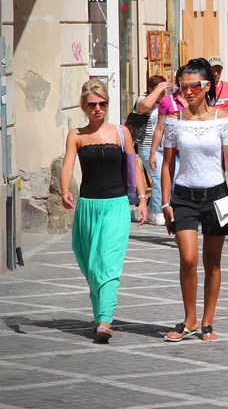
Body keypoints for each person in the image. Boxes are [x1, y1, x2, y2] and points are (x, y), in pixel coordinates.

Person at [161, 58, 228, 342]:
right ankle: (189, 318)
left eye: (193, 85)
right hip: (183, 196)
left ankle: (207, 322)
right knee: (188, 258)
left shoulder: (223, 119)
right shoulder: (174, 121)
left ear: (206, 86)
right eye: (183, 85)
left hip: (217, 196)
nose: (187, 90)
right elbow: (167, 165)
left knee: (213, 262)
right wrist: (165, 201)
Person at [60, 79, 148, 343]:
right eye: (92, 104)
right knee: (90, 264)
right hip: (87, 205)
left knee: (108, 263)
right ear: (83, 106)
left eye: (102, 103)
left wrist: (142, 199)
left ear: (107, 104)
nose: (98, 108)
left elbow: (135, 167)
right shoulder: (76, 135)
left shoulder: (121, 132)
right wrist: (64, 190)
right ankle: (100, 314)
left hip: (116, 204)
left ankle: (105, 320)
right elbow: (67, 165)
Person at [136, 75, 171, 225]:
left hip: (165, 146)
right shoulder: (142, 100)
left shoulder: (165, 102)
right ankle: (158, 211)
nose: (163, 95)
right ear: (151, 89)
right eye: (160, 91)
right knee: (158, 178)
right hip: (147, 146)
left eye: (165, 92)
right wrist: (158, 90)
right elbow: (144, 107)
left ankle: (151, 210)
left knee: (170, 177)